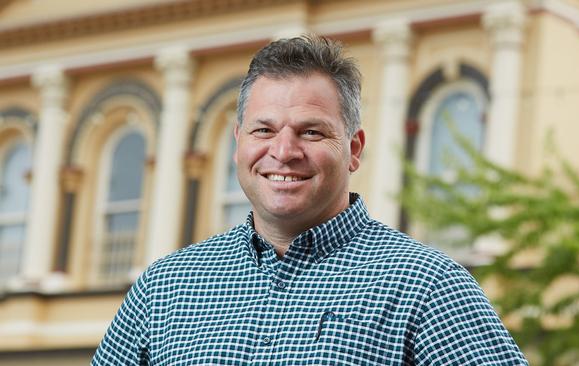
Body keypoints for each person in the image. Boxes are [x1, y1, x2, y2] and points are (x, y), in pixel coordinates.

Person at [92, 35, 528, 365]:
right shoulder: (165, 287)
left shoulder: (427, 285)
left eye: (311, 131)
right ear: (237, 144)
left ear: (354, 149)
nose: (283, 152)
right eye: (264, 130)